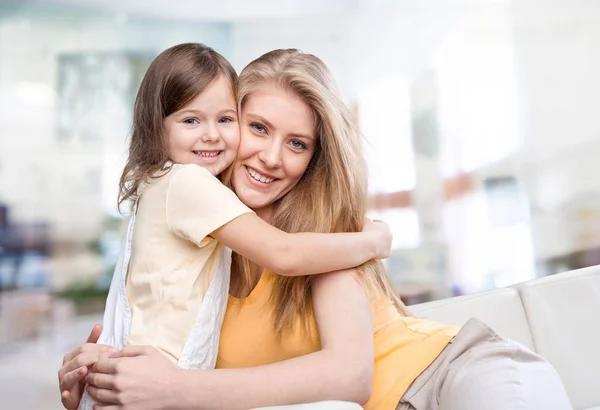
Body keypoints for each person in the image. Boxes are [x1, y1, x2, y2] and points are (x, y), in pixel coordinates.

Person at [59, 49, 572, 410]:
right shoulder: (195, 254)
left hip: (454, 377)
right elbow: (167, 355)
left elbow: (349, 377)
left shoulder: (321, 238)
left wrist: (173, 389)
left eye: (298, 144)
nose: (271, 157)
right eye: (258, 127)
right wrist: (106, 373)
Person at [74, 44, 393, 410]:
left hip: (429, 375)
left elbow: (349, 378)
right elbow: (283, 253)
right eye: (257, 127)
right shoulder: (189, 188)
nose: (211, 135)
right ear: (156, 128)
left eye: (224, 120)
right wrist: (374, 241)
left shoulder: (177, 201)